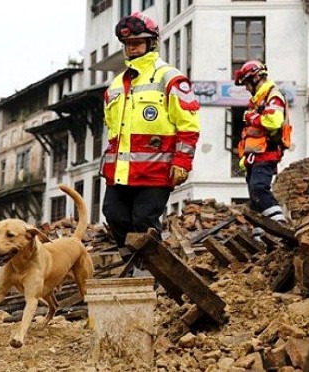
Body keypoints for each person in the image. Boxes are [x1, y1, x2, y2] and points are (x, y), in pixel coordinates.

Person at [100, 12, 200, 261]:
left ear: (151, 43)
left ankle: (149, 271)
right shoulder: (115, 85)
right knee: (113, 215)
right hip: (120, 172)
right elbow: (114, 134)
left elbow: (188, 125)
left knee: (144, 221)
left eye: (137, 43)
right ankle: (131, 262)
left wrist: (182, 162)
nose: (132, 48)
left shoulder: (170, 77)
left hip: (156, 171)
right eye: (128, 44)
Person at [234, 60, 290, 224]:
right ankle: (261, 236)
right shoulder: (258, 101)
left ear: (256, 78)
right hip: (255, 156)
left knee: (259, 189)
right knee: (255, 200)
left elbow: (274, 122)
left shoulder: (273, 96)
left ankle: (279, 224)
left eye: (246, 83)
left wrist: (252, 116)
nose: (246, 87)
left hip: (266, 153)